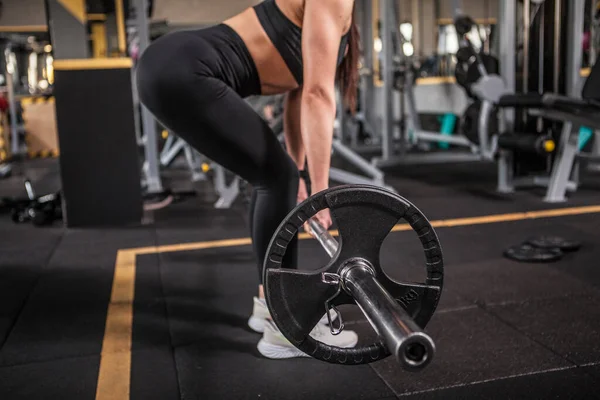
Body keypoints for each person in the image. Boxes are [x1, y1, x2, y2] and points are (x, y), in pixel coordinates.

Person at [137, 0, 360, 359]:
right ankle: (285, 322)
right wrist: (320, 191)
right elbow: (319, 96)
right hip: (183, 69)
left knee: (275, 176)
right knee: (276, 177)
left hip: (168, 65)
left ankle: (268, 301)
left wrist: (300, 173)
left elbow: (299, 94)